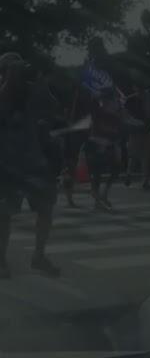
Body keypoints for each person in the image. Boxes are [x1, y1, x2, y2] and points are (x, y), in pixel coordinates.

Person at [0, 53, 60, 278]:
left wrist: (41, 81)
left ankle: (39, 255)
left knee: (45, 209)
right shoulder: (3, 91)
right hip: (6, 164)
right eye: (12, 70)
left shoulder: (32, 90)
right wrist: (8, 82)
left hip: (34, 162)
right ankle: (1, 260)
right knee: (4, 214)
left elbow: (53, 108)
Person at [125, 83, 150, 191]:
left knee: (145, 157)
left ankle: (145, 180)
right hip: (135, 132)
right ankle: (129, 175)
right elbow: (126, 116)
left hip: (145, 131)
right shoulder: (130, 101)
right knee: (134, 156)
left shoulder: (147, 100)